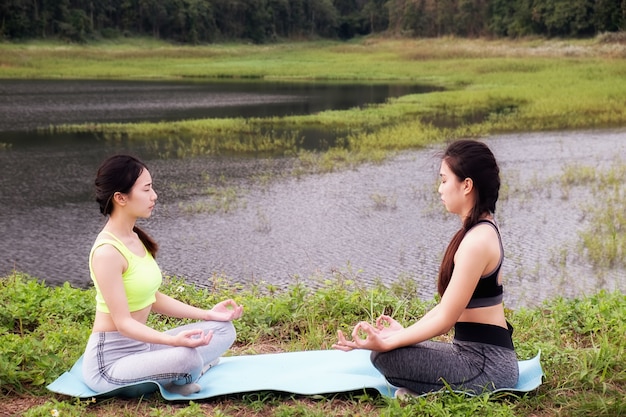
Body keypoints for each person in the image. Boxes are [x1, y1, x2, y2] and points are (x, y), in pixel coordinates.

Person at [333, 139, 518, 396]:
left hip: (488, 368)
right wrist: (401, 334)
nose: (440, 189)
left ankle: (426, 396)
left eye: (444, 180)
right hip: (477, 356)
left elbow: (445, 321)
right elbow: (446, 308)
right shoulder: (480, 230)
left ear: (466, 185)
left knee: (383, 356)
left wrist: (388, 343)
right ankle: (424, 391)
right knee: (388, 349)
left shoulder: (477, 241)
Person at [82, 154, 243, 396]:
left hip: (143, 348)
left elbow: (152, 297)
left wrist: (208, 314)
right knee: (186, 357)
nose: (154, 195)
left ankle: (185, 370)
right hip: (110, 364)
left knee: (222, 329)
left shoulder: (135, 238)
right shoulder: (107, 252)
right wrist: (173, 342)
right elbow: (123, 324)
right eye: (146, 189)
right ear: (120, 198)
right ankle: (189, 369)